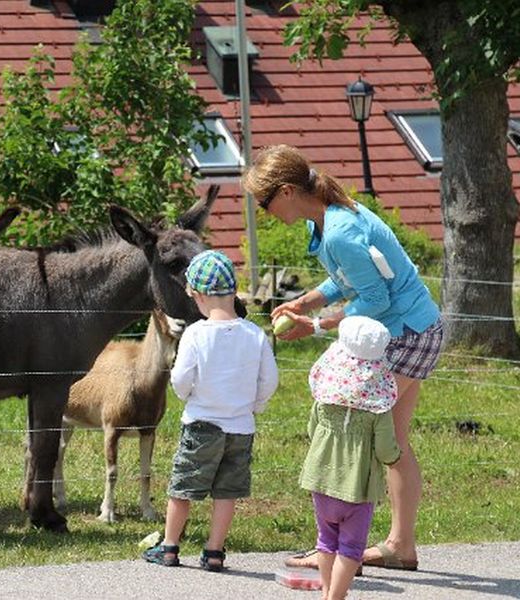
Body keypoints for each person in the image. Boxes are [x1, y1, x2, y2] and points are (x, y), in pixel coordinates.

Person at [243, 144, 444, 571]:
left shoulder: (339, 230)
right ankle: (400, 546)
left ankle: (332, 546)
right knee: (393, 442)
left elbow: (373, 296)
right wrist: (305, 300)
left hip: (404, 333)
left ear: (285, 192)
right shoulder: (329, 219)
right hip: (416, 327)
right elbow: (345, 280)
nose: (264, 211)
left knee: (348, 431)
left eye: (264, 202)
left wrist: (315, 326)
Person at [142, 250, 278, 571]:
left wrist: (187, 396)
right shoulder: (255, 334)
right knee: (227, 491)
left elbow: (181, 378)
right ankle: (214, 551)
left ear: (198, 295)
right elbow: (269, 380)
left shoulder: (196, 334)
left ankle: (170, 546)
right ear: (232, 292)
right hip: (241, 428)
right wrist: (253, 406)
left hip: (202, 424)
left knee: (183, 487)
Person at [301, 316, 401, 600]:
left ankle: (325, 591)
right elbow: (384, 449)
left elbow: (312, 430)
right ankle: (336, 597)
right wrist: (395, 457)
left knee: (326, 540)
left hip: (321, 479)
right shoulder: (378, 407)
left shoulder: (324, 397)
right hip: (357, 488)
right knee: (351, 547)